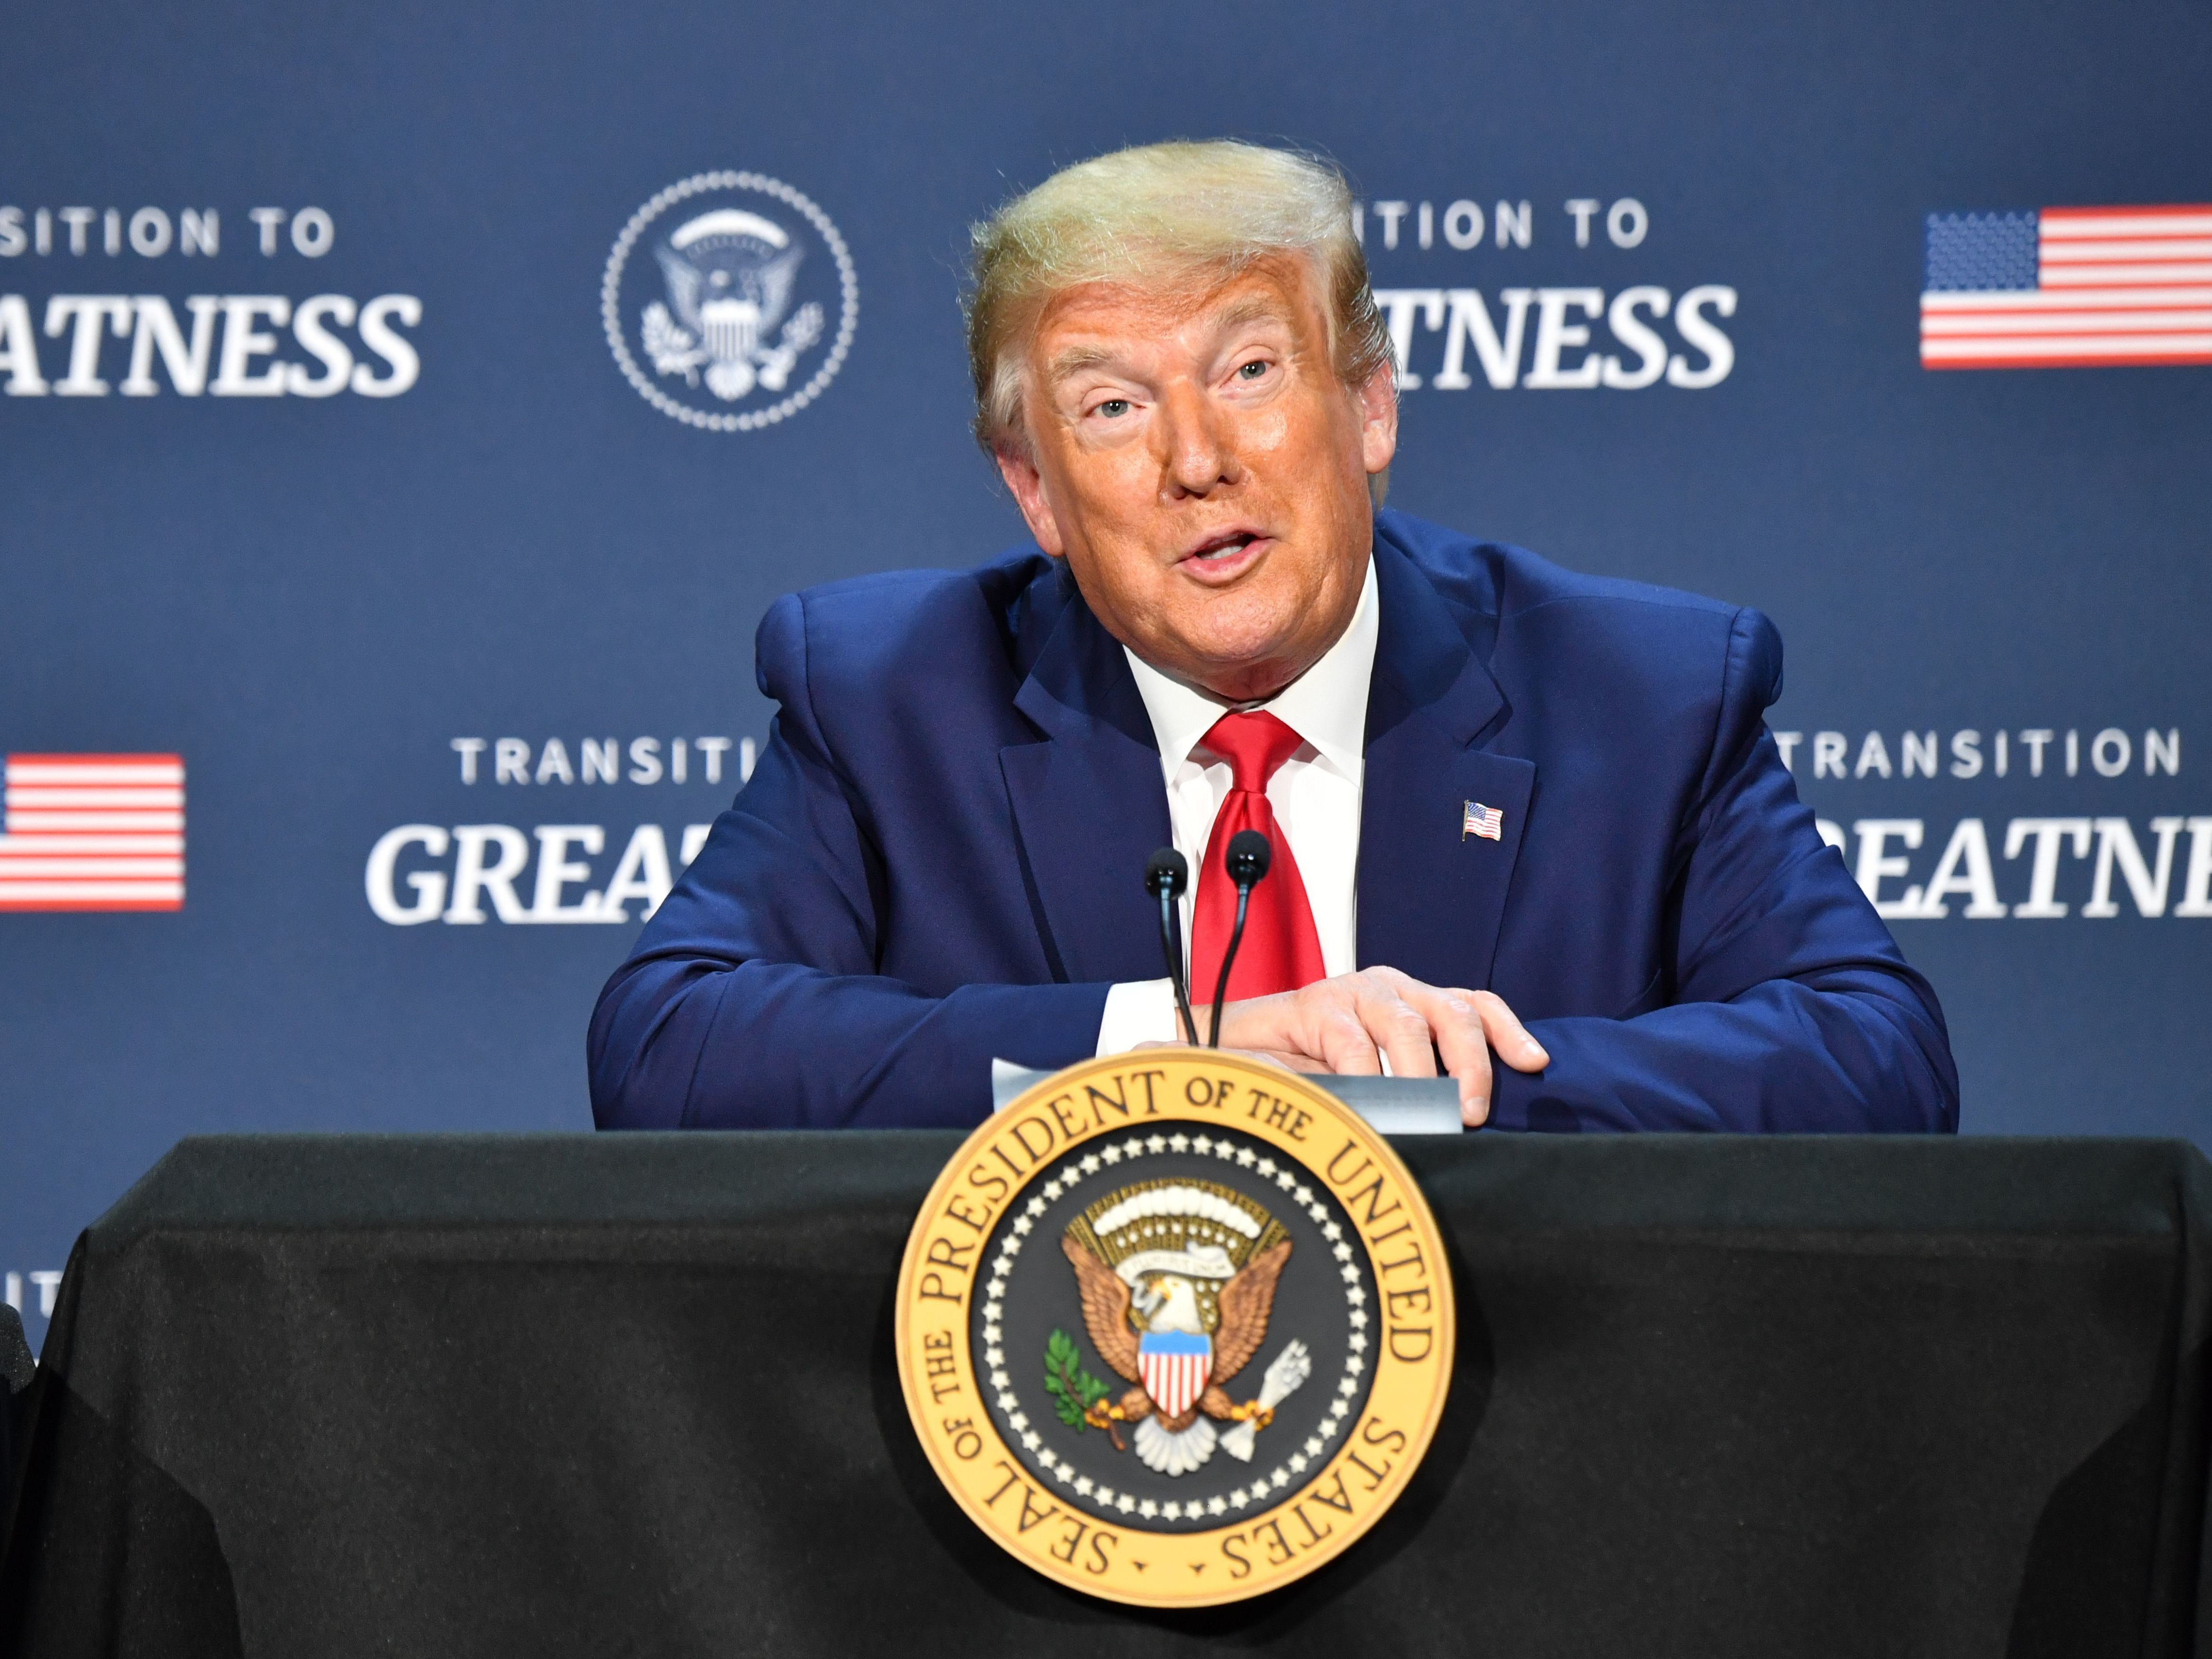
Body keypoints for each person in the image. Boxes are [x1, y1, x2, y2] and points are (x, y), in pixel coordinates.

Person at [588, 140, 1956, 1134]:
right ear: (1033, 492)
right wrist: (1179, 1050)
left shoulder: (1636, 698)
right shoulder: (897, 697)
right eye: (1111, 408)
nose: (1196, 461)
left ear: (1367, 407)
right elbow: (666, 1050)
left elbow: (1876, 1060)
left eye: (1249, 372)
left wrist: (1419, 1085)